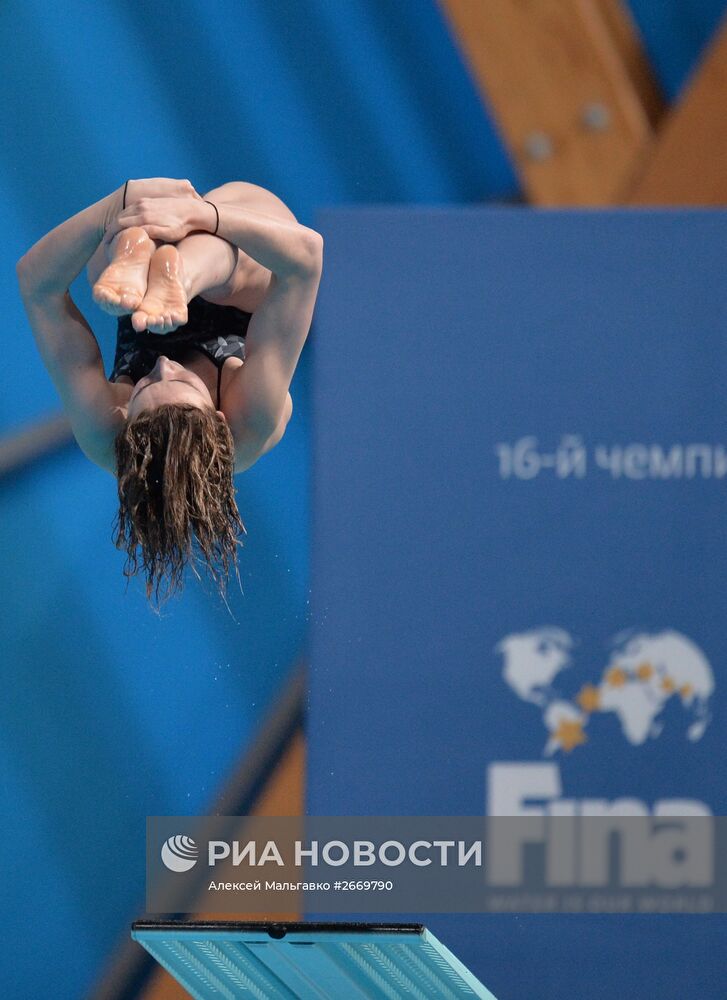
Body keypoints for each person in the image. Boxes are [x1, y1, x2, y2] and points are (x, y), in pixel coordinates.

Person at [16, 178, 323, 605]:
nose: (161, 365)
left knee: (125, 265)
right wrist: (204, 216)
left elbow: (37, 284)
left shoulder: (104, 428)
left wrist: (117, 207)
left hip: (141, 272)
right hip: (244, 264)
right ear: (219, 419)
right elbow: (306, 257)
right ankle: (181, 270)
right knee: (222, 263)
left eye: (144, 385)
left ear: (125, 422)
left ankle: (136, 249)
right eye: (178, 380)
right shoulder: (251, 415)